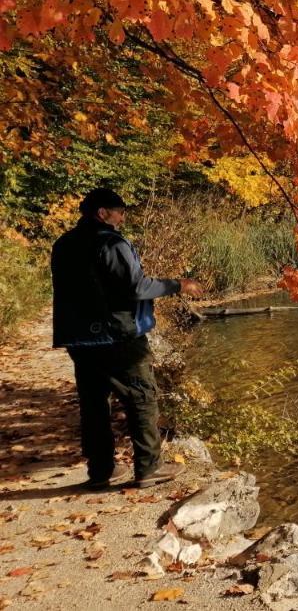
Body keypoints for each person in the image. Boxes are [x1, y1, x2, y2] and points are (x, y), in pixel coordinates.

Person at [50, 187, 204, 489]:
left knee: (94, 406)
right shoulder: (111, 243)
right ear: (102, 213)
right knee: (142, 397)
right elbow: (137, 288)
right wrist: (178, 285)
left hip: (79, 339)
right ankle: (149, 468)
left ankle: (101, 471)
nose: (122, 217)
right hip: (117, 336)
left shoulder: (63, 244)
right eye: (119, 211)